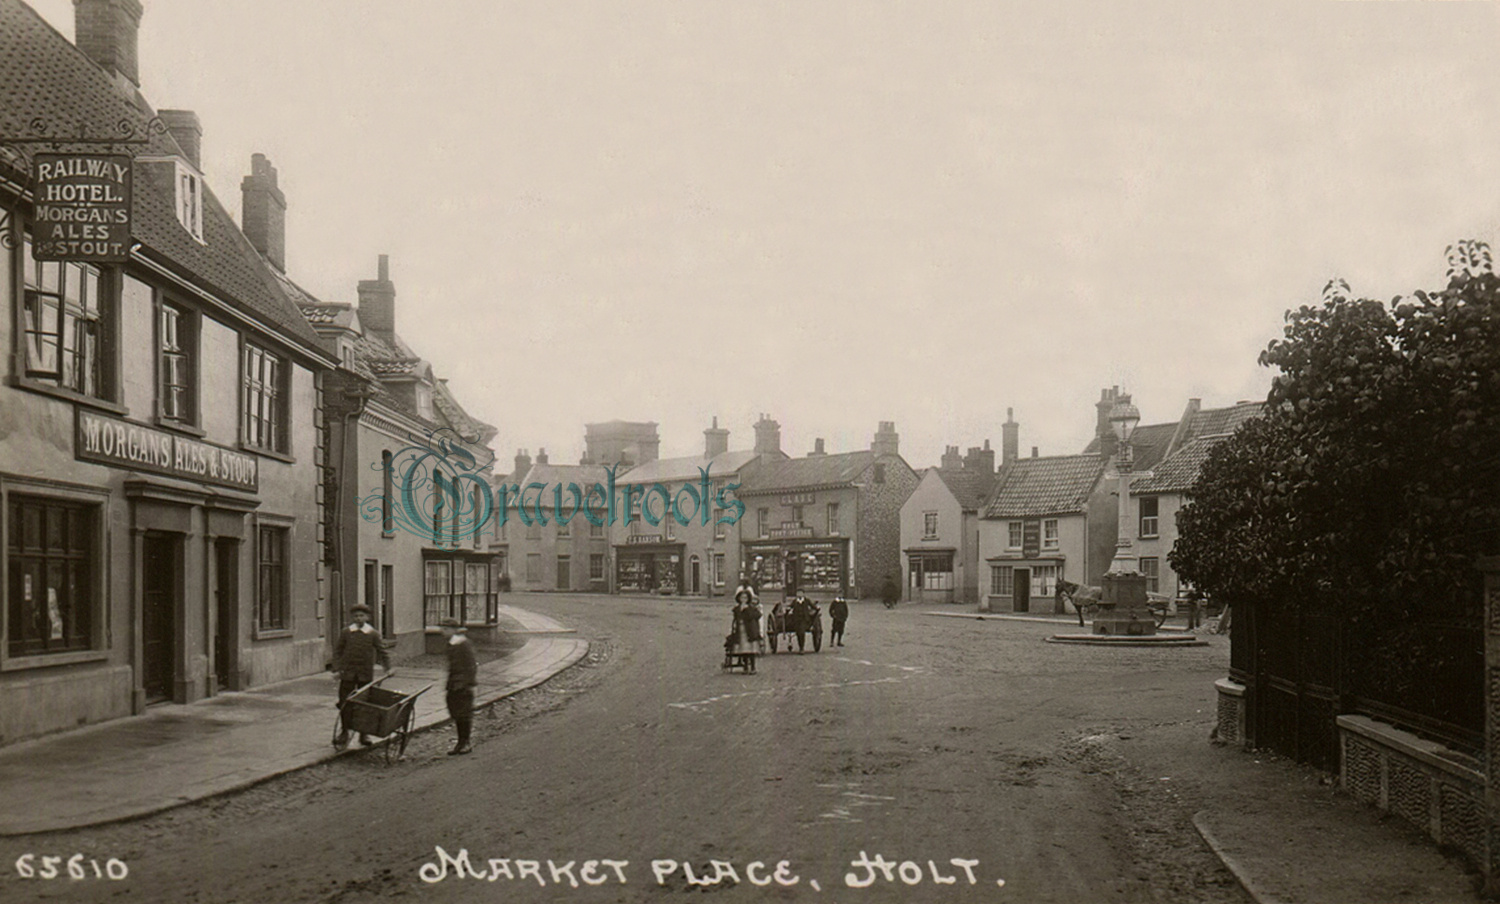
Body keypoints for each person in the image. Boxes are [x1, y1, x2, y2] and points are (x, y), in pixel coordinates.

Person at [334, 602, 391, 748]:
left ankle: (363, 734)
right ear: (352, 618)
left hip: (365, 675)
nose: (358, 619)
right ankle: (344, 732)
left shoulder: (373, 634)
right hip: (347, 674)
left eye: (361, 616)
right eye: (356, 616)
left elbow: (382, 652)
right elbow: (338, 651)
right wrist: (337, 669)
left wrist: (388, 668)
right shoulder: (346, 632)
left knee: (365, 704)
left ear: (367, 617)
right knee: (345, 703)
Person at [441, 617, 477, 755]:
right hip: (454, 684)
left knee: (463, 714)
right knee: (455, 711)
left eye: (446, 629)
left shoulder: (463, 644)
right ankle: (460, 742)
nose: (442, 632)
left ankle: (465, 742)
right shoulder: (451, 643)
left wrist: (467, 683)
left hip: (463, 685)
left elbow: (471, 665)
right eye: (442, 629)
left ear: (454, 630)